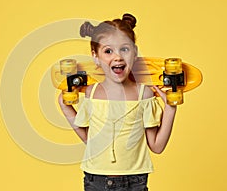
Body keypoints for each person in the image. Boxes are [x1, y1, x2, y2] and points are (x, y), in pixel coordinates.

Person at [58, 13, 177, 191]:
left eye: (125, 49)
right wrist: (64, 106)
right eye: (108, 51)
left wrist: (170, 108)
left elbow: (157, 146)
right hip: (94, 180)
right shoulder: (91, 94)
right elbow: (90, 140)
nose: (118, 57)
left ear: (135, 52)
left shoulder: (144, 95)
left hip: (134, 181)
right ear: (95, 56)